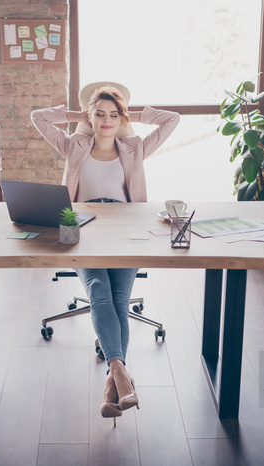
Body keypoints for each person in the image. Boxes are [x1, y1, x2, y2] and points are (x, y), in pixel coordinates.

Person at [31, 85, 180, 425]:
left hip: (127, 229)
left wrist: (132, 114)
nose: (107, 121)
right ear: (90, 117)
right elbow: (38, 117)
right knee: (99, 289)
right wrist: (77, 114)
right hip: (79, 227)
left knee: (118, 296)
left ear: (122, 119)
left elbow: (172, 120)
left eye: (114, 115)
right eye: (100, 114)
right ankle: (121, 375)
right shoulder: (74, 146)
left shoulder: (134, 148)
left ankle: (113, 380)